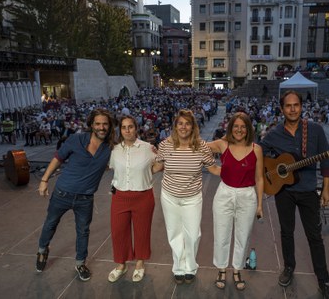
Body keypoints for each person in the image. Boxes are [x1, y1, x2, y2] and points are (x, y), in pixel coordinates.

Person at [260, 91, 329, 299]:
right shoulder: (275, 133)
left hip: (308, 190)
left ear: (301, 107)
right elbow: (259, 151)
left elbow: (327, 160)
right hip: (283, 191)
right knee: (286, 232)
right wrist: (272, 166)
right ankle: (289, 267)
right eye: (288, 106)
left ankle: (324, 281)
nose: (292, 109)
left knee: (315, 237)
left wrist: (327, 188)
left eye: (296, 105)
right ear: (281, 108)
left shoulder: (315, 130)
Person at [36, 108, 115, 281]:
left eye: (105, 124)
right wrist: (44, 179)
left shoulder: (110, 148)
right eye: (98, 124)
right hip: (62, 193)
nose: (102, 127)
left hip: (85, 199)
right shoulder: (76, 140)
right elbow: (58, 158)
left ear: (109, 127)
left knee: (83, 231)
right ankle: (42, 250)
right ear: (91, 125)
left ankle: (80, 263)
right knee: (50, 224)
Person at [154, 109, 220, 284]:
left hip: (192, 197)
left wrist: (237, 172)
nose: (183, 127)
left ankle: (190, 266)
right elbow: (157, 166)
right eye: (180, 123)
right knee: (174, 233)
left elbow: (214, 169)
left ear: (193, 127)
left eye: (187, 123)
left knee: (193, 234)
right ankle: (178, 268)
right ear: (175, 126)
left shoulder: (201, 146)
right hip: (169, 196)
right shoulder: (165, 145)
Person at [208, 112, 264, 291]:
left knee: (243, 235)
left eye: (243, 126)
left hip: (247, 196)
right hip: (224, 193)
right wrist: (213, 168)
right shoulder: (222, 145)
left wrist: (260, 205)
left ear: (248, 129)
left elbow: (259, 178)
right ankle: (222, 269)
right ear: (230, 127)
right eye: (236, 126)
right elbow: (199, 147)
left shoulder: (256, 149)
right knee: (221, 234)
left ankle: (237, 270)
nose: (239, 130)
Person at [107, 115, 162, 283]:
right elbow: (113, 169)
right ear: (120, 130)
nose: (127, 130)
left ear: (136, 128)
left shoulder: (148, 148)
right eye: (124, 127)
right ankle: (121, 266)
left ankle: (139, 264)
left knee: (142, 231)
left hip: (143, 196)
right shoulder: (115, 150)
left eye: (130, 126)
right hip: (120, 196)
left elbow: (160, 164)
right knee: (118, 232)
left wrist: (145, 173)